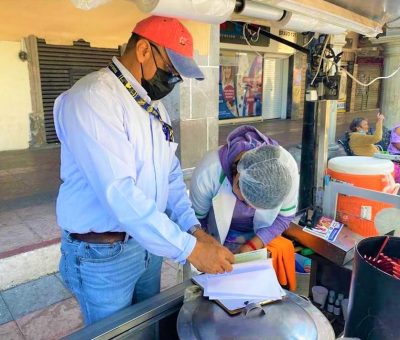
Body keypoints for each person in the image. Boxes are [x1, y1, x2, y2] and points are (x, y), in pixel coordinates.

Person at [53, 16, 234, 325]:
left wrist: (195, 230)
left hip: (145, 245)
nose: (174, 78)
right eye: (172, 69)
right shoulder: (93, 98)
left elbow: (172, 176)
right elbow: (119, 193)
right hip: (103, 254)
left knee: (147, 329)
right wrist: (191, 250)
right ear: (143, 50)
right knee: (115, 333)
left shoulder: (152, 108)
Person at [190, 125, 299, 289]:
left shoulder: (285, 169)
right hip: (215, 235)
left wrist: (253, 245)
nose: (249, 208)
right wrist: (211, 247)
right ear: (237, 177)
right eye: (246, 201)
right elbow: (195, 221)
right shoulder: (209, 171)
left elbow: (284, 217)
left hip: (259, 237)